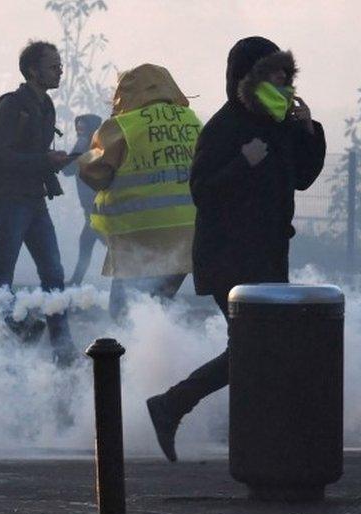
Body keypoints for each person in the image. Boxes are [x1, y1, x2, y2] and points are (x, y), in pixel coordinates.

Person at [145, 37, 325, 462]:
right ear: (250, 76)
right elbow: (203, 191)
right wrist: (243, 162)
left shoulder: (277, 123)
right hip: (229, 259)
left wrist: (308, 131)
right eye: (275, 72)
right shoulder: (225, 127)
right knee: (256, 348)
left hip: (266, 256)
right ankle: (180, 408)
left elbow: (302, 177)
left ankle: (182, 409)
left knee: (259, 351)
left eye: (287, 73)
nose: (284, 80)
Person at [0, 40, 79, 364]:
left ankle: (62, 348)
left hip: (34, 201)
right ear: (33, 71)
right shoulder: (12, 106)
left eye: (59, 64)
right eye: (53, 65)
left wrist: (50, 162)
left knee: (53, 272)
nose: (60, 69)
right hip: (9, 202)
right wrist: (45, 159)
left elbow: (34, 157)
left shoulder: (45, 106)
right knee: (1, 275)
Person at [78, 65, 200, 319]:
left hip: (140, 239)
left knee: (124, 315)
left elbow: (92, 172)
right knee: (156, 311)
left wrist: (90, 148)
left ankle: (133, 359)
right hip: (188, 239)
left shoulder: (120, 126)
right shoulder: (192, 121)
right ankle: (164, 355)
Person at [61, 113, 102, 287]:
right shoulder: (86, 149)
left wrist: (82, 142)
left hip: (100, 211)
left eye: (83, 128)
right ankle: (76, 281)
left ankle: (128, 283)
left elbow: (68, 168)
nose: (80, 132)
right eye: (78, 128)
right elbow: (68, 170)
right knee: (86, 244)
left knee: (95, 244)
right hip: (91, 212)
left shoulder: (97, 151)